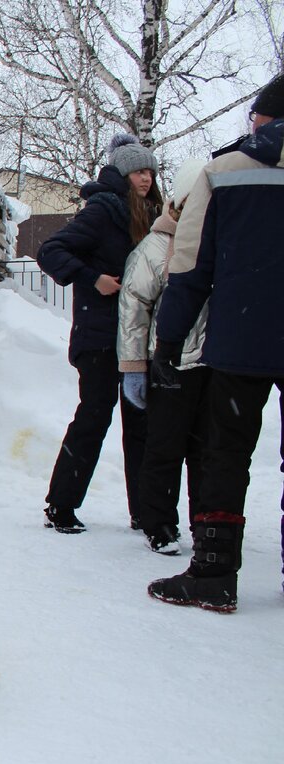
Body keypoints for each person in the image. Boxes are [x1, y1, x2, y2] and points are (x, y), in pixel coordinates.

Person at [146, 72, 284, 612]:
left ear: (261, 119)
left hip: (241, 343)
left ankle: (213, 575)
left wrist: (169, 341)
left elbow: (189, 268)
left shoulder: (223, 172)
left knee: (224, 456)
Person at [37, 134, 161, 533]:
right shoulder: (103, 211)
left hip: (137, 337)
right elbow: (51, 251)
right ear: (124, 172)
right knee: (94, 416)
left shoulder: (150, 212)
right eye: (141, 171)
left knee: (141, 422)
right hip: (99, 335)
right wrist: (93, 279)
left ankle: (144, 512)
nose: (147, 178)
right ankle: (60, 506)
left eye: (151, 172)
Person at [117, 158, 208, 555]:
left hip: (213, 366)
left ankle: (207, 524)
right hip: (167, 364)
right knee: (163, 448)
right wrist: (134, 369)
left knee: (208, 453)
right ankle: (159, 524)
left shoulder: (218, 241)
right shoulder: (154, 249)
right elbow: (133, 312)